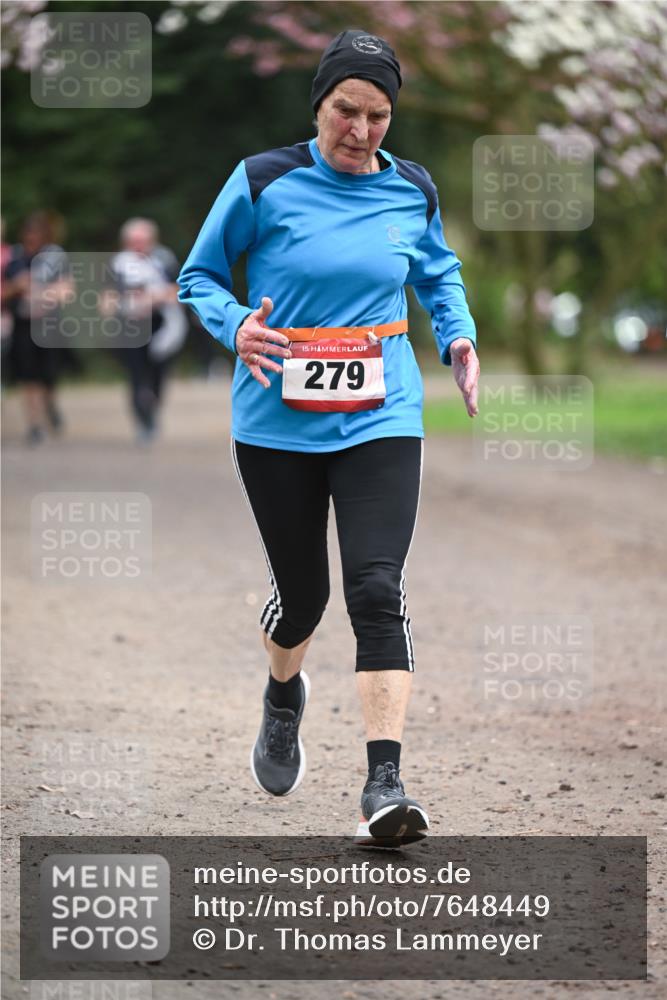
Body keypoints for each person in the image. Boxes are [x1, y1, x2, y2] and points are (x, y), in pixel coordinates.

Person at [178, 29, 480, 847]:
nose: (360, 130)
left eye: (378, 116)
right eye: (346, 110)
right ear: (318, 105)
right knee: (302, 598)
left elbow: (437, 272)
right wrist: (235, 324)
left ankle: (384, 784)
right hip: (275, 421)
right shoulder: (262, 180)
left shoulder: (411, 188)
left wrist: (456, 336)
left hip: (382, 413)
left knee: (376, 587)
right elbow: (198, 276)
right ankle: (283, 694)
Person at [104, 218, 187, 444]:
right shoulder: (118, 264)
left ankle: (152, 411)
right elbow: (108, 296)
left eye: (143, 241)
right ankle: (143, 420)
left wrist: (156, 297)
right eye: (134, 241)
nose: (139, 246)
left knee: (157, 375)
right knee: (136, 376)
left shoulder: (164, 259)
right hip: (130, 327)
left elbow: (179, 289)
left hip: (160, 326)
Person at [1, 212, 73, 445]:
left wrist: (43, 293)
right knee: (28, 377)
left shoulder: (54, 257)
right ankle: (34, 424)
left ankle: (50, 406)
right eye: (28, 234)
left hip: (48, 325)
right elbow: (4, 292)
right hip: (23, 324)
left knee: (48, 376)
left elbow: (67, 290)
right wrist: (16, 286)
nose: (31, 238)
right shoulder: (15, 258)